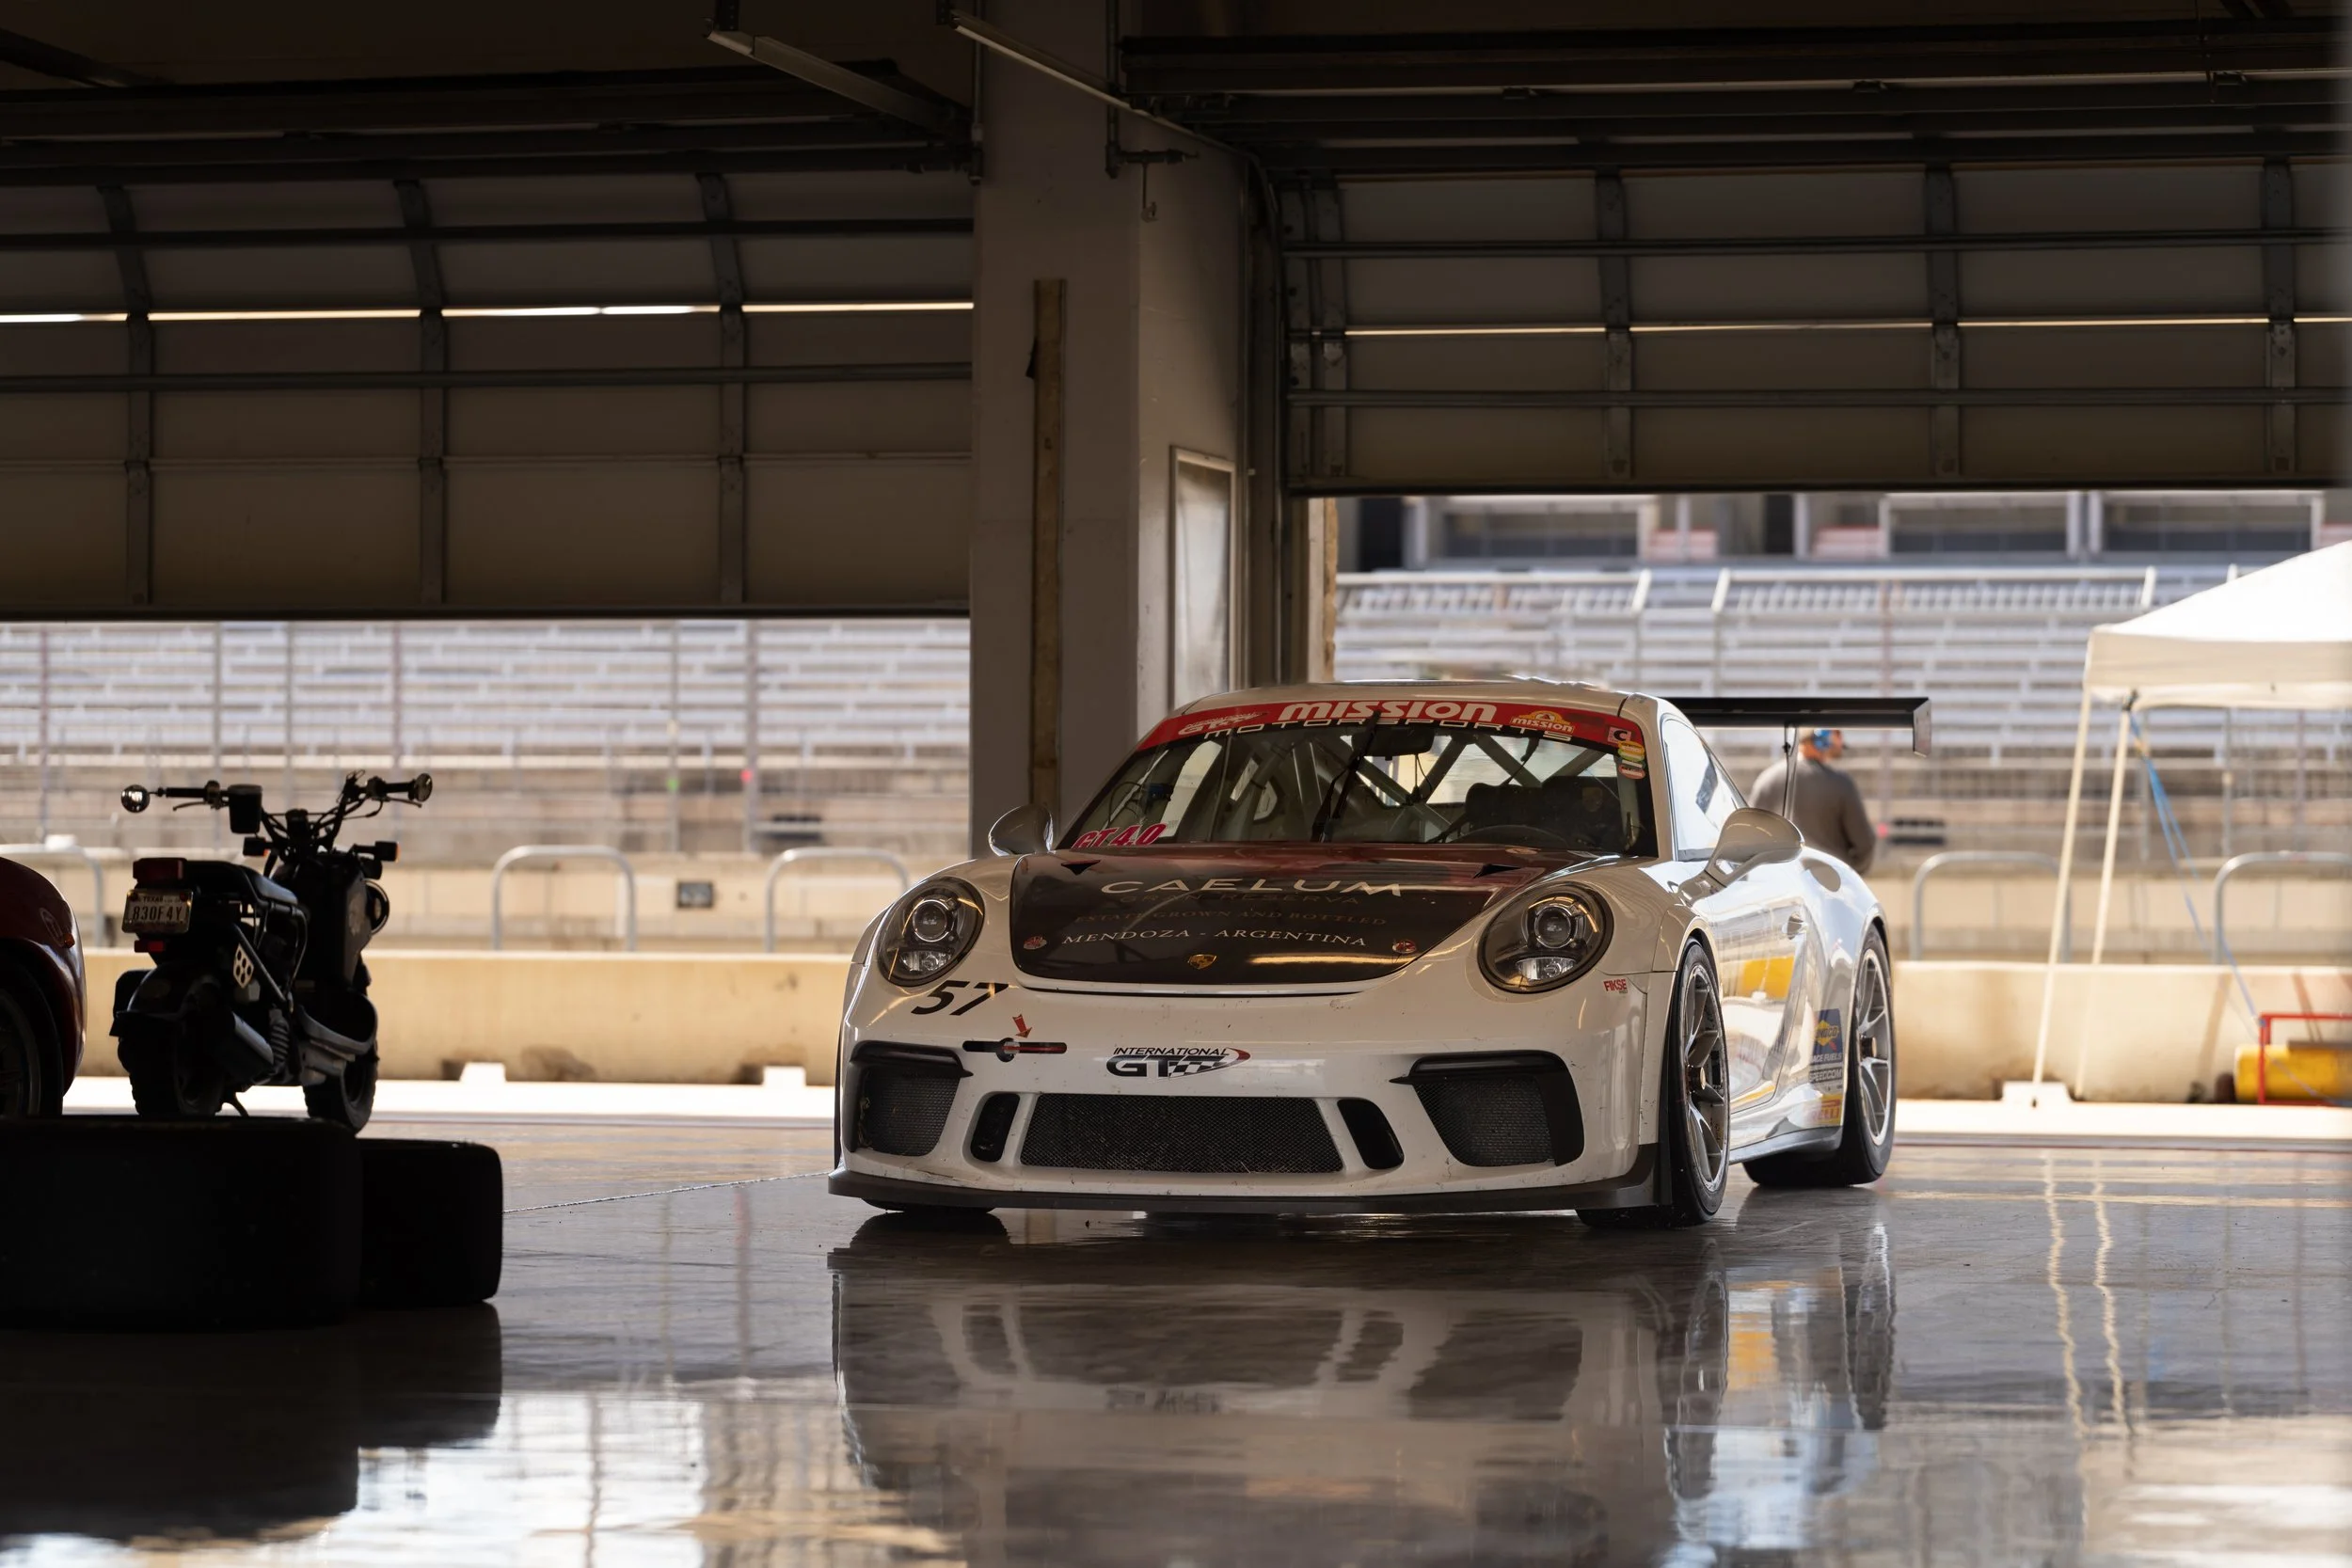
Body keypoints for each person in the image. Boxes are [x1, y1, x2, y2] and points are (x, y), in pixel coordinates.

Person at [1750, 728, 1879, 873]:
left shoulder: (1766, 780)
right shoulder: (1840, 784)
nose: (1840, 740)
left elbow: (1751, 839)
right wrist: (1848, 876)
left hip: (1781, 883)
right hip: (1830, 885)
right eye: (1836, 733)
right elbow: (1865, 845)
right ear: (1820, 737)